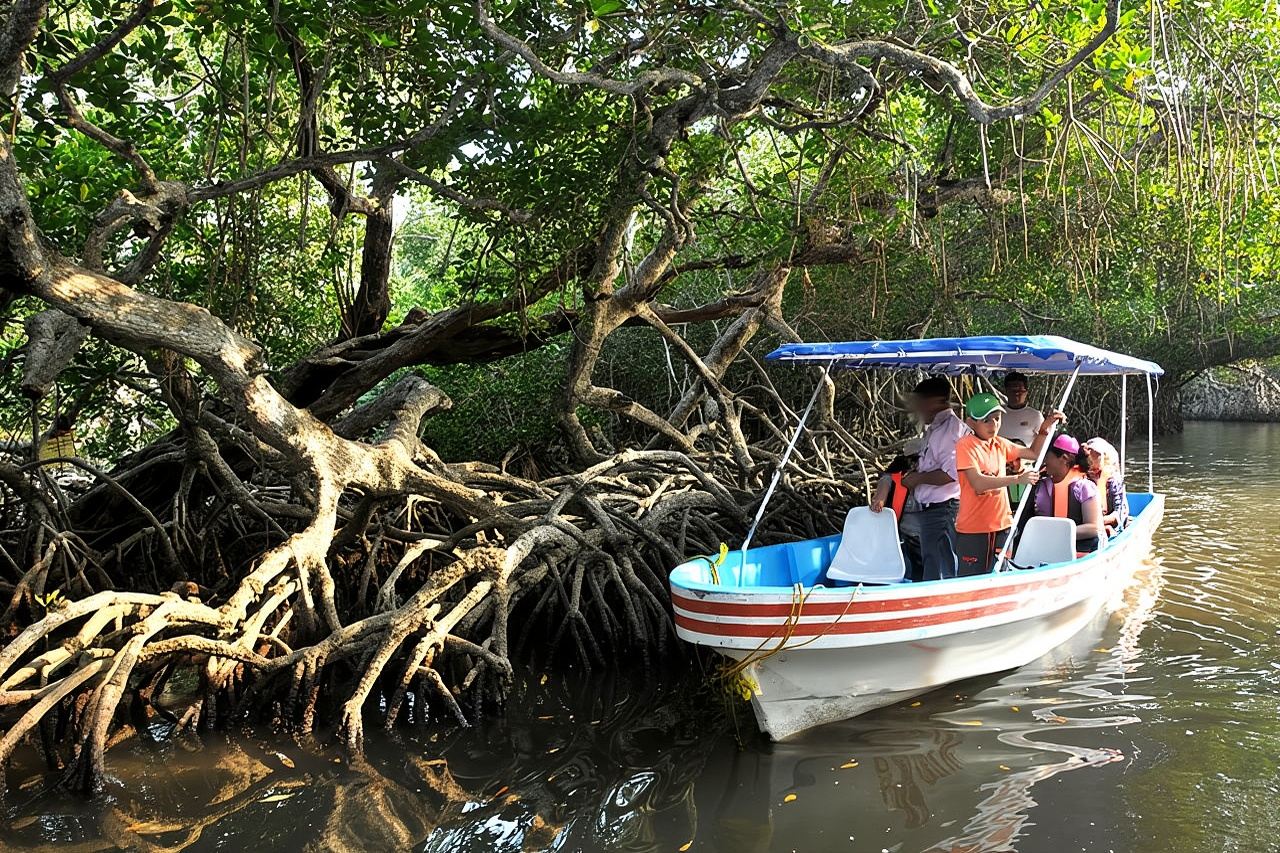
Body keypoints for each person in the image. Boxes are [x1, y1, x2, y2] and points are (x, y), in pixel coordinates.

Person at [954, 393, 1064, 576]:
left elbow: (1033, 453)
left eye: (997, 419)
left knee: (1001, 575)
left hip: (1002, 526)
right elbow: (978, 483)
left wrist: (1045, 428)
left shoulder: (1000, 444)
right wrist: (1017, 479)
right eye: (986, 421)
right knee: (972, 578)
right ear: (971, 423)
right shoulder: (965, 446)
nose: (994, 425)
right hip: (974, 528)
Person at [900, 377, 968, 581]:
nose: (917, 409)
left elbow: (952, 474)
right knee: (933, 560)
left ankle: (943, 607)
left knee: (941, 566)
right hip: (934, 509)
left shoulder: (949, 431)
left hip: (944, 509)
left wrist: (918, 480)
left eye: (920, 402)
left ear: (936, 401)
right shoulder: (936, 429)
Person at [1029, 434, 1106, 553]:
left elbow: (1094, 528)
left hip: (1078, 549)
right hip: (1046, 547)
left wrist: (1057, 533)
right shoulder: (1041, 485)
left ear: (1064, 458)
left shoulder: (1084, 487)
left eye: (1047, 457)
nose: (1044, 461)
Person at [869, 436, 924, 582]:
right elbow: (883, 486)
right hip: (907, 533)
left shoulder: (931, 476)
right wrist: (879, 500)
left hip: (927, 530)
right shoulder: (892, 476)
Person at [1083, 437, 1129, 533]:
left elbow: (1118, 515)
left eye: (1097, 454)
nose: (1092, 457)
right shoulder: (1082, 478)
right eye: (1089, 453)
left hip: (1110, 522)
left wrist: (1096, 523)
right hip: (1091, 524)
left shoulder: (1114, 481)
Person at [998, 371, 1045, 447]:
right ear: (1006, 391)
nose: (1016, 394)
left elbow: (1043, 439)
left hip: (1025, 457)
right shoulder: (997, 413)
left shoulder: (1036, 415)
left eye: (1020, 391)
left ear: (1026, 392)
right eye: (1013, 391)